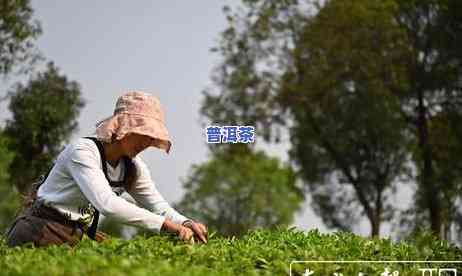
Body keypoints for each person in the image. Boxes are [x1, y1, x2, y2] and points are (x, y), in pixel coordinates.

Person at [6, 91, 208, 247]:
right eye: (142, 133)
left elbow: (157, 205)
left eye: (152, 137)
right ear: (123, 127)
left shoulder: (133, 167)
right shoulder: (82, 152)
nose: (148, 142)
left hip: (75, 234)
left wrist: (186, 222)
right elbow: (107, 204)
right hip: (39, 229)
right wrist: (167, 226)